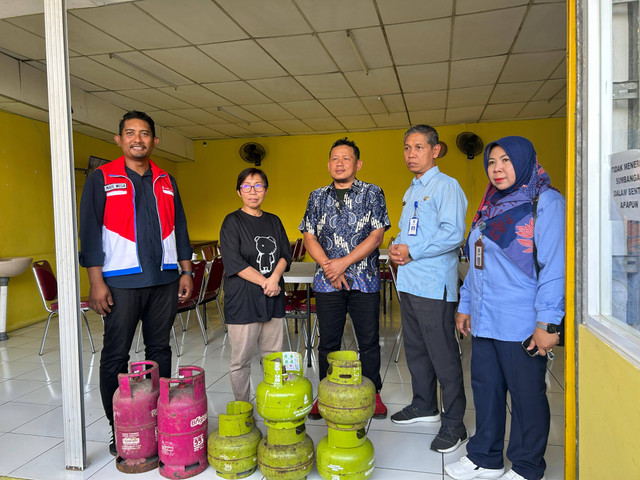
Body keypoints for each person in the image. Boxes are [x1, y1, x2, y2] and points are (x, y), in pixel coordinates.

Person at [445, 136, 564, 480]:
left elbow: (556, 267)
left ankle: (527, 467)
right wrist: (465, 304)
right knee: (486, 390)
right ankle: (485, 456)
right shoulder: (489, 206)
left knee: (526, 397)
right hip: (484, 319)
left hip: (522, 322)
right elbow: (477, 265)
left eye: (506, 160)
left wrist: (548, 322)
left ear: (525, 161)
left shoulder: (546, 203)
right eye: (492, 162)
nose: (497, 168)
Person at [79, 110, 193, 456]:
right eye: (130, 133)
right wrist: (95, 281)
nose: (137, 139)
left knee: (159, 351)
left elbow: (181, 228)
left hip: (163, 279)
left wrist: (186, 271)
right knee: (116, 355)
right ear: (119, 139)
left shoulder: (166, 179)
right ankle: (122, 427)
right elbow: (89, 231)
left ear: (154, 141)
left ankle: (159, 420)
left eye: (144, 134)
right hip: (120, 281)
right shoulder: (102, 177)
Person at [388, 124, 468, 453]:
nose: (411, 154)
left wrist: (412, 250)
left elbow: (453, 234)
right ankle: (424, 405)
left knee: (443, 356)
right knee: (417, 351)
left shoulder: (446, 186)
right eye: (407, 148)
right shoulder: (413, 189)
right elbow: (414, 233)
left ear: (435, 150)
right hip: (409, 283)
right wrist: (397, 245)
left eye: (418, 147)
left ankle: (455, 424)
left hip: (434, 286)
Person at [299, 137, 390, 420]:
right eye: (335, 159)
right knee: (328, 342)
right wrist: (330, 267)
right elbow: (308, 235)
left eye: (346, 158)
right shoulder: (316, 196)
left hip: (365, 279)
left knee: (369, 341)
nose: (340, 163)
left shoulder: (373, 193)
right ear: (328, 164)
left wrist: (343, 264)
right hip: (327, 282)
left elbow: (376, 236)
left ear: (357, 164)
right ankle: (325, 393)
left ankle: (373, 393)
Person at [219, 168, 291, 402]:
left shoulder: (274, 220)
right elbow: (234, 262)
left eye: (258, 185)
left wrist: (274, 279)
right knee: (241, 361)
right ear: (238, 191)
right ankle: (243, 408)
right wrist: (265, 281)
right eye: (247, 186)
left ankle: (275, 402)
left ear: (266, 190)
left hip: (273, 297)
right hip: (243, 300)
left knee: (274, 357)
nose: (253, 191)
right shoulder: (232, 222)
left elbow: (285, 254)